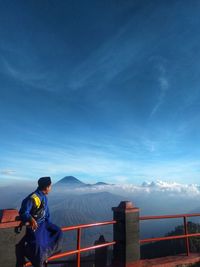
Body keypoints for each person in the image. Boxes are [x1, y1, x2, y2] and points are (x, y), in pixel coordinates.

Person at [18, 177, 63, 267]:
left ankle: (47, 254)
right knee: (39, 248)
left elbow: (47, 214)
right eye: (50, 186)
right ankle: (39, 260)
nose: (50, 188)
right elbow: (23, 212)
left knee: (58, 231)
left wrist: (48, 226)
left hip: (44, 224)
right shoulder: (33, 198)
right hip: (36, 226)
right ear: (46, 187)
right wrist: (30, 219)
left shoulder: (44, 197)